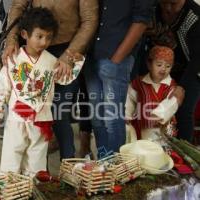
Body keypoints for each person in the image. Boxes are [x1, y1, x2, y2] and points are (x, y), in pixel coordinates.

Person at [0, 7, 84, 176]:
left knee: (37, 160)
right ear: (25, 34)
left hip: (42, 121)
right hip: (16, 120)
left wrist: (76, 62)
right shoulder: (14, 59)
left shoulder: (51, 61)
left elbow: (65, 78)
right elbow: (2, 87)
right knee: (11, 156)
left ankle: (35, 189)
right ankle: (9, 189)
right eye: (39, 36)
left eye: (48, 38)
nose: (44, 42)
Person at [2, 0, 98, 159]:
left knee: (60, 113)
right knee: (34, 112)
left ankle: (68, 166)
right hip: (32, 49)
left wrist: (69, 54)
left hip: (67, 50)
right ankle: (38, 173)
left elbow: (90, 20)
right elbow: (18, 6)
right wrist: (11, 38)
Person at [83, 0, 155, 155]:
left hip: (115, 57)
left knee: (112, 117)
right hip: (91, 55)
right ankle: (104, 162)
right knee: (96, 116)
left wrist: (117, 58)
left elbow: (141, 21)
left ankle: (115, 167)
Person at [157, 0, 200, 142]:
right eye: (164, 3)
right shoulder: (155, 8)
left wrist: (182, 87)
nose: (168, 9)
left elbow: (197, 59)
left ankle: (185, 154)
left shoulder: (194, 16)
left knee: (184, 108)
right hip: (172, 63)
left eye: (173, 4)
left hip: (195, 66)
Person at [125, 45, 179, 141]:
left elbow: (172, 104)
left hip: (163, 130)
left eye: (168, 66)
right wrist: (127, 114)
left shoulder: (172, 86)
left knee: (160, 151)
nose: (163, 69)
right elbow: (130, 99)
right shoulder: (138, 83)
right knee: (142, 148)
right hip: (142, 126)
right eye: (159, 65)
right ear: (149, 64)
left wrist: (160, 114)